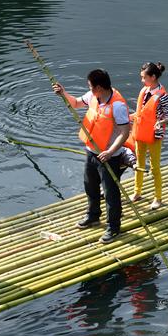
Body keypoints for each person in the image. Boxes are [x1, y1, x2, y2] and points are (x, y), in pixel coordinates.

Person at [53, 69, 131, 243]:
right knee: (90, 185)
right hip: (91, 151)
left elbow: (125, 133)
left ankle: (113, 227)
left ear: (100, 88)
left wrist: (110, 152)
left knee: (111, 193)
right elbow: (75, 103)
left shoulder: (117, 106)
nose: (88, 88)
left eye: (90, 86)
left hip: (109, 156)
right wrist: (63, 93)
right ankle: (93, 215)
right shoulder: (92, 96)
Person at [130, 61, 168, 210]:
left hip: (154, 135)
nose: (142, 80)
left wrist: (160, 122)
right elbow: (141, 112)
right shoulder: (144, 91)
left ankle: (158, 197)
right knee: (139, 164)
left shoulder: (163, 96)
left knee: (155, 168)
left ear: (153, 77)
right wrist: (129, 117)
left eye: (144, 77)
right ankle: (137, 192)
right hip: (140, 132)